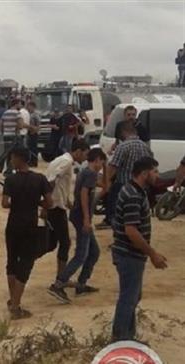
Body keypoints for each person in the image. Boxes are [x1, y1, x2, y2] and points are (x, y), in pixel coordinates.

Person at [111, 157, 167, 341]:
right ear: (144, 173)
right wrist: (152, 254)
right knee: (129, 298)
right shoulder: (133, 195)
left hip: (129, 254)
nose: (157, 175)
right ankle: (120, 340)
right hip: (129, 255)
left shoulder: (134, 190)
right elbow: (131, 230)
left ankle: (127, 336)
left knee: (132, 296)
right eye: (155, 171)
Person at [48, 148, 106, 303]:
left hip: (80, 215)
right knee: (82, 254)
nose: (102, 166)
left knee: (94, 252)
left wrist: (106, 168)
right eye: (102, 162)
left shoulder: (86, 172)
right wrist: (87, 219)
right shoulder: (90, 174)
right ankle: (59, 283)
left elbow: (106, 186)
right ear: (97, 160)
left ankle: (81, 283)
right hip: (82, 217)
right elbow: (84, 195)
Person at [1, 147, 53, 320]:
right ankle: (16, 305)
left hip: (13, 224)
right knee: (25, 263)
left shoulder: (10, 180)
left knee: (11, 261)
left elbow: (5, 203)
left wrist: (18, 203)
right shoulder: (39, 179)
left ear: (18, 159)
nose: (11, 161)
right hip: (30, 225)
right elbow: (49, 202)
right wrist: (36, 203)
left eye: (12, 158)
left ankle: (13, 300)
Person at [44, 139, 90, 284]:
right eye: (85, 154)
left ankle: (61, 275)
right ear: (78, 151)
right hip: (55, 207)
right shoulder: (66, 162)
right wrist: (47, 204)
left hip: (58, 204)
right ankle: (61, 277)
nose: (85, 158)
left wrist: (70, 204)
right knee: (64, 242)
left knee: (53, 242)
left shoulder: (59, 160)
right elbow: (52, 182)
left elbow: (60, 187)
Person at [98, 121, 152, 230]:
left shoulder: (123, 146)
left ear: (123, 132)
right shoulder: (145, 146)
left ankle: (118, 234)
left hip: (122, 185)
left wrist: (106, 182)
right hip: (140, 186)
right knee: (135, 214)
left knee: (118, 213)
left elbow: (113, 167)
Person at [0, 99, 23, 175]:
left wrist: (3, 132)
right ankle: (9, 171)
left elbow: (0, 124)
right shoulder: (17, 113)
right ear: (16, 104)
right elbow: (20, 125)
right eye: (19, 104)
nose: (20, 105)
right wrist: (17, 130)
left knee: (8, 153)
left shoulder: (5, 113)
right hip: (14, 136)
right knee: (15, 154)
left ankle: (7, 170)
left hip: (6, 135)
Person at [26, 102, 41, 167]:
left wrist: (34, 131)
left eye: (29, 106)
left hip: (34, 133)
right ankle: (30, 161)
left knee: (34, 148)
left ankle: (34, 162)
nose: (28, 107)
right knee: (30, 148)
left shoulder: (35, 115)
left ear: (33, 107)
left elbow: (38, 125)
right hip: (29, 133)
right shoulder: (29, 114)